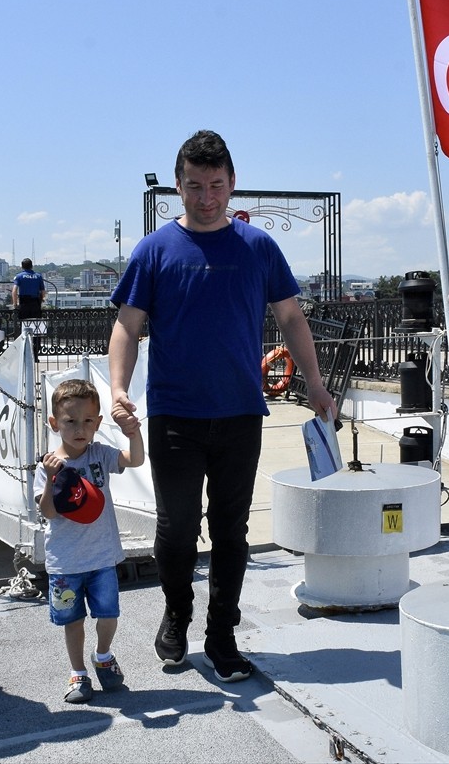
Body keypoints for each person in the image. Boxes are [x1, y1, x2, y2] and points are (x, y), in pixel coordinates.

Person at [108, 129, 337, 683]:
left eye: (215, 185)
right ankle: (177, 612)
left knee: (231, 530)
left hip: (239, 413)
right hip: (174, 415)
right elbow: (127, 325)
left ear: (232, 184)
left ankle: (222, 632)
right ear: (177, 188)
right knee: (177, 528)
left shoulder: (257, 248)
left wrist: (315, 381)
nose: (206, 197)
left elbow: (291, 319)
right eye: (194, 186)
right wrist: (118, 387)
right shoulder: (155, 250)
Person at [36, 378, 144, 704]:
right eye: (70, 421)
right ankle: (78, 672)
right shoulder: (49, 465)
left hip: (102, 557)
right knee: (73, 621)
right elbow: (49, 513)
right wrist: (52, 478)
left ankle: (103, 654)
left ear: (98, 423)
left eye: (87, 421)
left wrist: (133, 433)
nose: (79, 429)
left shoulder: (99, 454)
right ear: (55, 423)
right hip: (65, 562)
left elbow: (134, 460)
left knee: (109, 615)